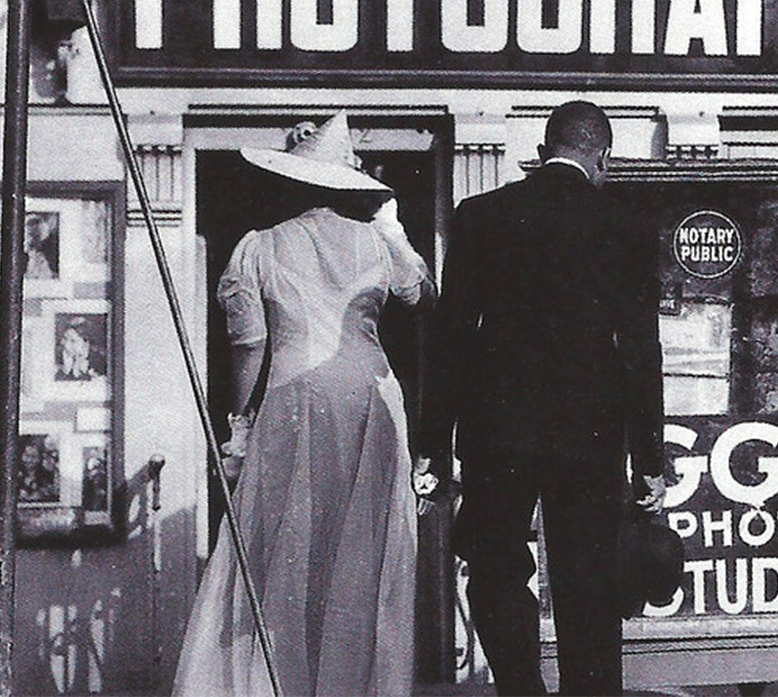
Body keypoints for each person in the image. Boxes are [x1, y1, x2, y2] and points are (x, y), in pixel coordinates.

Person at [173, 113, 435, 697]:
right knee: (362, 546)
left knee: (288, 545)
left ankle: (282, 680)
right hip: (371, 397)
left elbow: (249, 347)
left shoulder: (260, 247)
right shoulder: (377, 241)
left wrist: (239, 425)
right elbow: (423, 296)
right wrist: (396, 232)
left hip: (297, 399)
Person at [420, 100, 666, 696]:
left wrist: (432, 444)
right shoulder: (624, 225)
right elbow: (640, 350)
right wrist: (650, 460)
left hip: (497, 432)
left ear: (540, 151)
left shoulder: (480, 216)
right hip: (592, 434)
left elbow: (450, 337)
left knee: (499, 568)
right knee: (588, 579)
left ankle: (521, 690)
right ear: (602, 157)